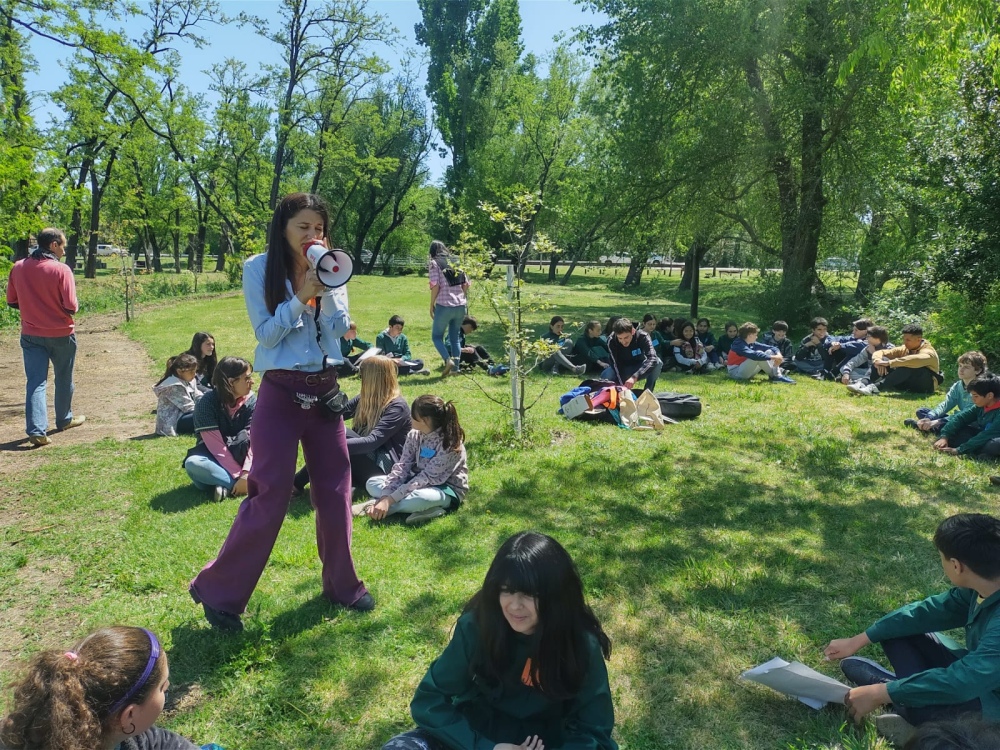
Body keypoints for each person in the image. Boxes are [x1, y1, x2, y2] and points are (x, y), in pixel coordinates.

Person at [189, 192, 373, 632]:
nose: (313, 235)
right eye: (303, 228)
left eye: (319, 228)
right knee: (269, 492)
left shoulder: (331, 263)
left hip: (324, 388)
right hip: (280, 392)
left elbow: (338, 335)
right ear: (283, 229)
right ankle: (220, 594)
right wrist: (300, 296)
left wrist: (328, 295)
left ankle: (343, 587)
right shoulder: (257, 268)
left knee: (335, 492)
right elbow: (267, 337)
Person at [380, 531, 617, 750]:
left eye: (529, 593)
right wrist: (485, 747)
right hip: (474, 736)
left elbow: (594, 731)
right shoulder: (478, 626)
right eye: (506, 590)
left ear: (555, 596)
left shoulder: (579, 643)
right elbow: (429, 701)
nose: (514, 605)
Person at [823, 513, 1000, 746]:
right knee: (896, 632)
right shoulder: (983, 585)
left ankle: (898, 697)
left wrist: (882, 693)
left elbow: (964, 681)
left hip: (991, 705)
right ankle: (900, 691)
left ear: (956, 566)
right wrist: (858, 640)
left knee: (931, 718)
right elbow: (926, 612)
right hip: (981, 678)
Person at [0, 625, 208, 750]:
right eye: (163, 688)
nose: (168, 688)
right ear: (129, 715)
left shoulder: (43, 721)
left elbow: (159, 742)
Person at [5, 227, 85, 446]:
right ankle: (64, 419)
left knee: (36, 383)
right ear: (53, 245)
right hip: (61, 334)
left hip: (31, 334)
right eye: (63, 246)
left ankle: (36, 430)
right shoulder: (62, 270)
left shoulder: (18, 267)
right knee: (63, 378)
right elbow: (71, 305)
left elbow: (12, 301)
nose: (64, 250)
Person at [293, 355, 412, 495]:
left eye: (362, 376)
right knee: (332, 431)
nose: (361, 380)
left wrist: (333, 445)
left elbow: (372, 442)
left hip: (386, 469)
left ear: (372, 379)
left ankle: (296, 483)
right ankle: (302, 483)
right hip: (366, 460)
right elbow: (334, 417)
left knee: (339, 434)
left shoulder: (397, 407)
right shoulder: (364, 399)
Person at [354, 394, 468, 527]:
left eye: (413, 416)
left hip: (443, 488)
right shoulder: (414, 435)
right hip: (414, 482)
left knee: (421, 499)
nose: (409, 418)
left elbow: (425, 478)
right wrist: (386, 495)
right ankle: (425, 510)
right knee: (372, 482)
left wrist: (390, 500)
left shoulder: (450, 443)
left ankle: (375, 506)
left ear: (424, 420)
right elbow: (402, 467)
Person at [182, 356, 256, 502]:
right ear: (230, 382)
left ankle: (223, 485)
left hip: (245, 458)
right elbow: (217, 448)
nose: (252, 382)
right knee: (193, 464)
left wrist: (246, 473)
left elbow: (255, 441)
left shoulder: (254, 402)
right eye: (247, 378)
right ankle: (239, 485)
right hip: (214, 459)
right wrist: (238, 476)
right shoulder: (206, 403)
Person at [906, 352, 989, 434]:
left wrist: (937, 421)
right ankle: (928, 426)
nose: (961, 369)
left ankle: (930, 428)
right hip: (958, 418)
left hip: (973, 424)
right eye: (960, 366)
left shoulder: (980, 389)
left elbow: (966, 414)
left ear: (978, 371)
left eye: (966, 367)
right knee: (922, 411)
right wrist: (929, 417)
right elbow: (946, 404)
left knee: (959, 429)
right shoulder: (958, 385)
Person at [848, 323, 941, 396]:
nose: (905, 342)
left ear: (918, 339)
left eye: (908, 340)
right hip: (906, 384)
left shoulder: (929, 352)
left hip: (924, 387)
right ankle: (863, 383)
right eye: (904, 339)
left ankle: (874, 388)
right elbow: (882, 352)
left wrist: (889, 363)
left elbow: (913, 360)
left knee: (907, 365)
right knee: (883, 359)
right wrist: (878, 361)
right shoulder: (904, 348)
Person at [932, 375, 1000, 460]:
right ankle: (980, 452)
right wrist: (944, 437)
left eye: (975, 396)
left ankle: (980, 452)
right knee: (960, 429)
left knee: (995, 445)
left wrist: (959, 450)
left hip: (992, 438)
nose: (972, 399)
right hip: (981, 436)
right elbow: (960, 418)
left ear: (990, 395)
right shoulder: (980, 406)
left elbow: (989, 434)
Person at [428, 240, 469, 377]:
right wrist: (463, 299)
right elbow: (466, 285)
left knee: (437, 336)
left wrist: (431, 304)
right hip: (460, 305)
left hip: (444, 305)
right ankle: (455, 369)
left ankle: (447, 360)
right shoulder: (456, 262)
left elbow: (435, 286)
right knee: (454, 338)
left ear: (432, 252)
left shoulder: (434, 264)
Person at [603, 317, 662, 392]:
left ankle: (648, 392)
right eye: (620, 338)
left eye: (626, 337)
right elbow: (616, 364)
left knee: (658, 362)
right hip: (621, 368)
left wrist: (635, 377)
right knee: (607, 375)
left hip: (639, 367)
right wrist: (623, 388)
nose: (623, 341)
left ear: (633, 331)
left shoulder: (643, 336)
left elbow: (652, 358)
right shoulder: (611, 340)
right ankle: (614, 392)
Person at [153, 353, 205, 437]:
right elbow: (189, 407)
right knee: (206, 415)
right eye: (191, 371)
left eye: (195, 371)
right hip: (174, 422)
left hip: (186, 415)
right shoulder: (173, 385)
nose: (194, 374)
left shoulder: (190, 380)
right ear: (179, 371)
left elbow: (199, 396)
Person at [726, 322, 794, 383]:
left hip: (745, 371)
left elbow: (772, 348)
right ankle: (776, 376)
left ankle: (777, 375)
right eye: (755, 335)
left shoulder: (750, 342)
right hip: (735, 373)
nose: (757, 337)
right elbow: (754, 355)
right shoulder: (738, 344)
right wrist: (774, 357)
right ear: (750, 335)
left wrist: (778, 355)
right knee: (759, 354)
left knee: (769, 351)